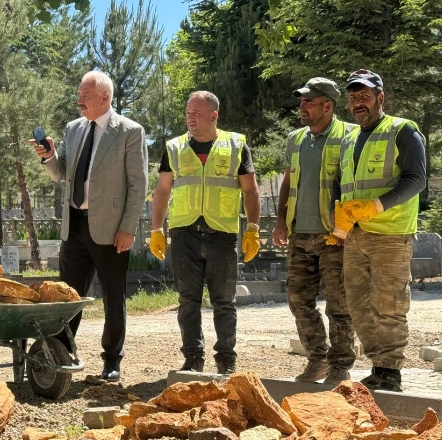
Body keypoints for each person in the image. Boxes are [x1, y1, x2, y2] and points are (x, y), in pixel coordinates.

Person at [31, 71, 148, 382]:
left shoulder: (129, 131)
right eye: (79, 94)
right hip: (75, 226)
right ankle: (59, 355)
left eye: (85, 95)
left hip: (111, 230)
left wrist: (127, 228)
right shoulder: (73, 129)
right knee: (67, 297)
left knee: (113, 296)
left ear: (104, 98)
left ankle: (112, 361)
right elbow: (61, 174)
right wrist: (50, 156)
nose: (79, 100)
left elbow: (138, 186)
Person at [149, 91, 260, 375]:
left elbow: (250, 189)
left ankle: (226, 360)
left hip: (222, 234)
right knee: (188, 301)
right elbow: (162, 190)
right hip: (184, 233)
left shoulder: (236, 145)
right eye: (188, 112)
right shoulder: (174, 147)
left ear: (213, 116)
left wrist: (253, 228)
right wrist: (157, 229)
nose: (190, 117)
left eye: (196, 113)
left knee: (224, 301)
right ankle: (193, 358)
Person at [333, 70, 426, 392]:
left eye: (365, 95)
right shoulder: (349, 139)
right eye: (353, 97)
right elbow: (342, 183)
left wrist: (377, 205)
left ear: (380, 98)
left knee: (388, 305)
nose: (359, 102)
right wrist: (339, 221)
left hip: (390, 233)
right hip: (355, 235)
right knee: (358, 305)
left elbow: (416, 179)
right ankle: (378, 367)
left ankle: (391, 372)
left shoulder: (402, 130)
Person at [272, 78, 357, 384]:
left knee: (339, 303)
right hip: (300, 234)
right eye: (301, 101)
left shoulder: (350, 135)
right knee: (298, 299)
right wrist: (281, 221)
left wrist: (347, 227)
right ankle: (317, 359)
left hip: (334, 236)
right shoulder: (295, 139)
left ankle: (341, 364)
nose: (302, 107)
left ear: (328, 106)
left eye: (309, 101)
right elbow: (288, 181)